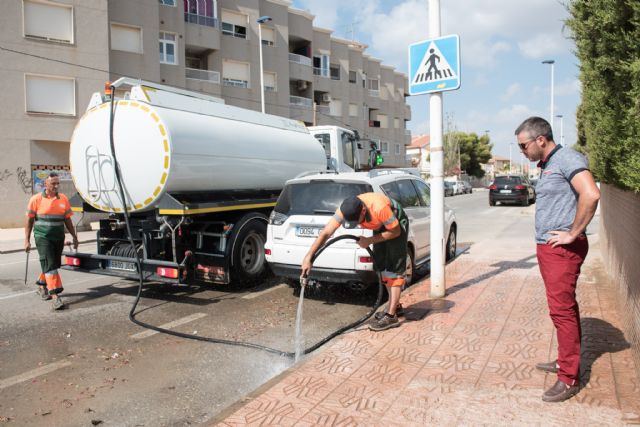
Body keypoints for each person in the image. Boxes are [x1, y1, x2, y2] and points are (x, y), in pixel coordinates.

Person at [515, 117, 600, 402]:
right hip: (550, 249)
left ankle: (569, 377)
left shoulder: (566, 158)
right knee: (562, 308)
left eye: (523, 146)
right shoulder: (549, 164)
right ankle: (566, 361)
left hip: (561, 251)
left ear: (541, 139)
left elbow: (591, 194)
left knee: (561, 311)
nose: (522, 152)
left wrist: (572, 233)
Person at [301, 192, 409, 331]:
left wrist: (369, 240)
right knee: (381, 266)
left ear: (363, 210)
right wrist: (308, 257)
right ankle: (395, 306)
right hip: (379, 225)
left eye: (358, 220)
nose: (357, 224)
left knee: (393, 269)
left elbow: (395, 232)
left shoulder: (379, 208)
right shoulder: (344, 209)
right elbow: (326, 232)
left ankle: (391, 316)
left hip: (395, 224)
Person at [24, 172, 78, 310]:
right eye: (53, 183)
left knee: (52, 264)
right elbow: (29, 220)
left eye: (57, 183)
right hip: (43, 237)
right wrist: (27, 240)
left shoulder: (63, 199)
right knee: (50, 265)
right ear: (45, 184)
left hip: (58, 237)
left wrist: (74, 236)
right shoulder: (35, 199)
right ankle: (55, 297)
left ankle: (42, 286)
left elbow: (68, 220)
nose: (56, 186)